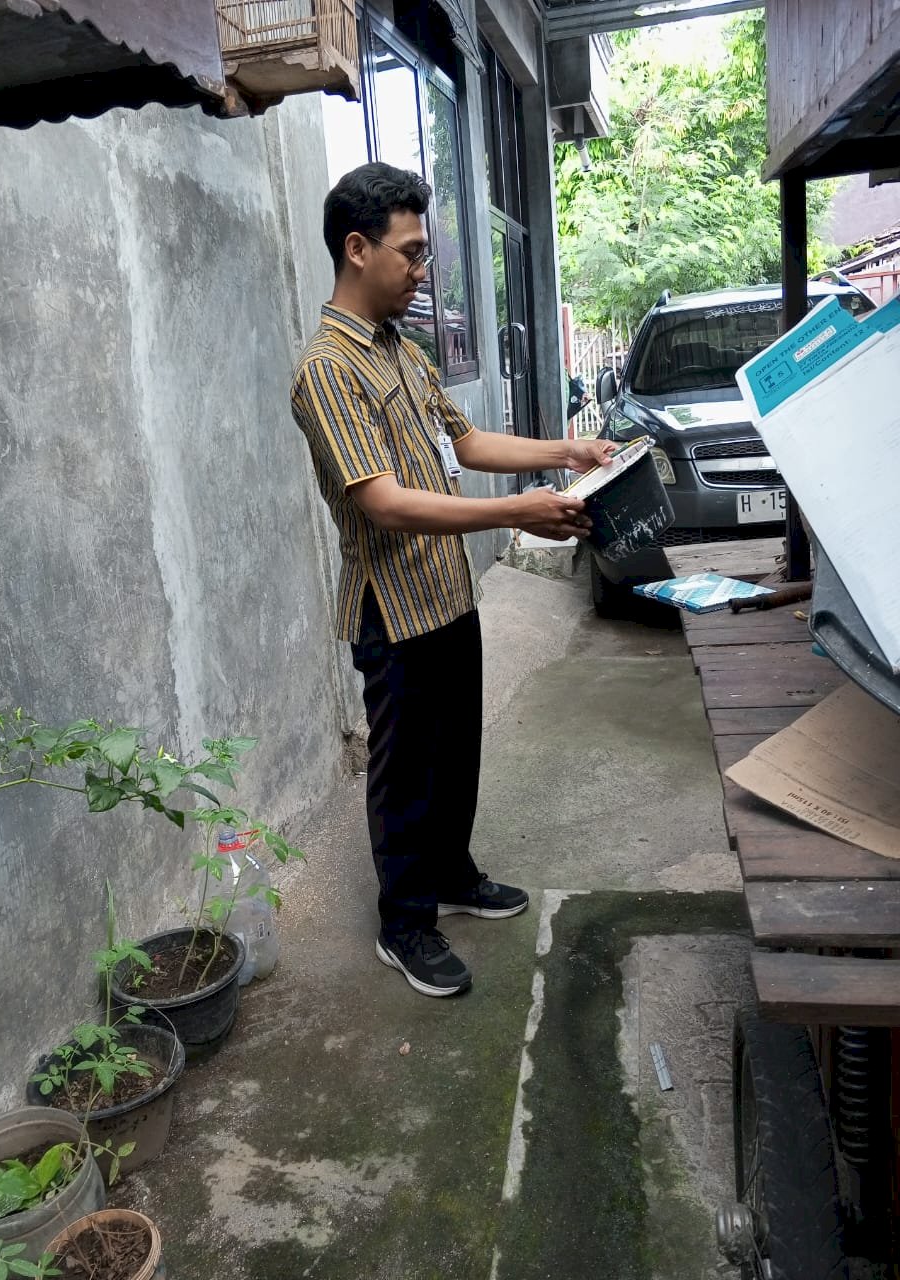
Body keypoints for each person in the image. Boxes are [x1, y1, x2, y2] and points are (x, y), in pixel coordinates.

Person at [290, 162, 615, 999]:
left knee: (455, 753)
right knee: (404, 774)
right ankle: (405, 924)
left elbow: (463, 445)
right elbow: (387, 504)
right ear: (357, 250)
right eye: (411, 253)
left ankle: (453, 873)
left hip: (447, 591)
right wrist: (516, 515)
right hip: (391, 608)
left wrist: (563, 452)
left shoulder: (405, 350)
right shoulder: (327, 370)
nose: (422, 270)